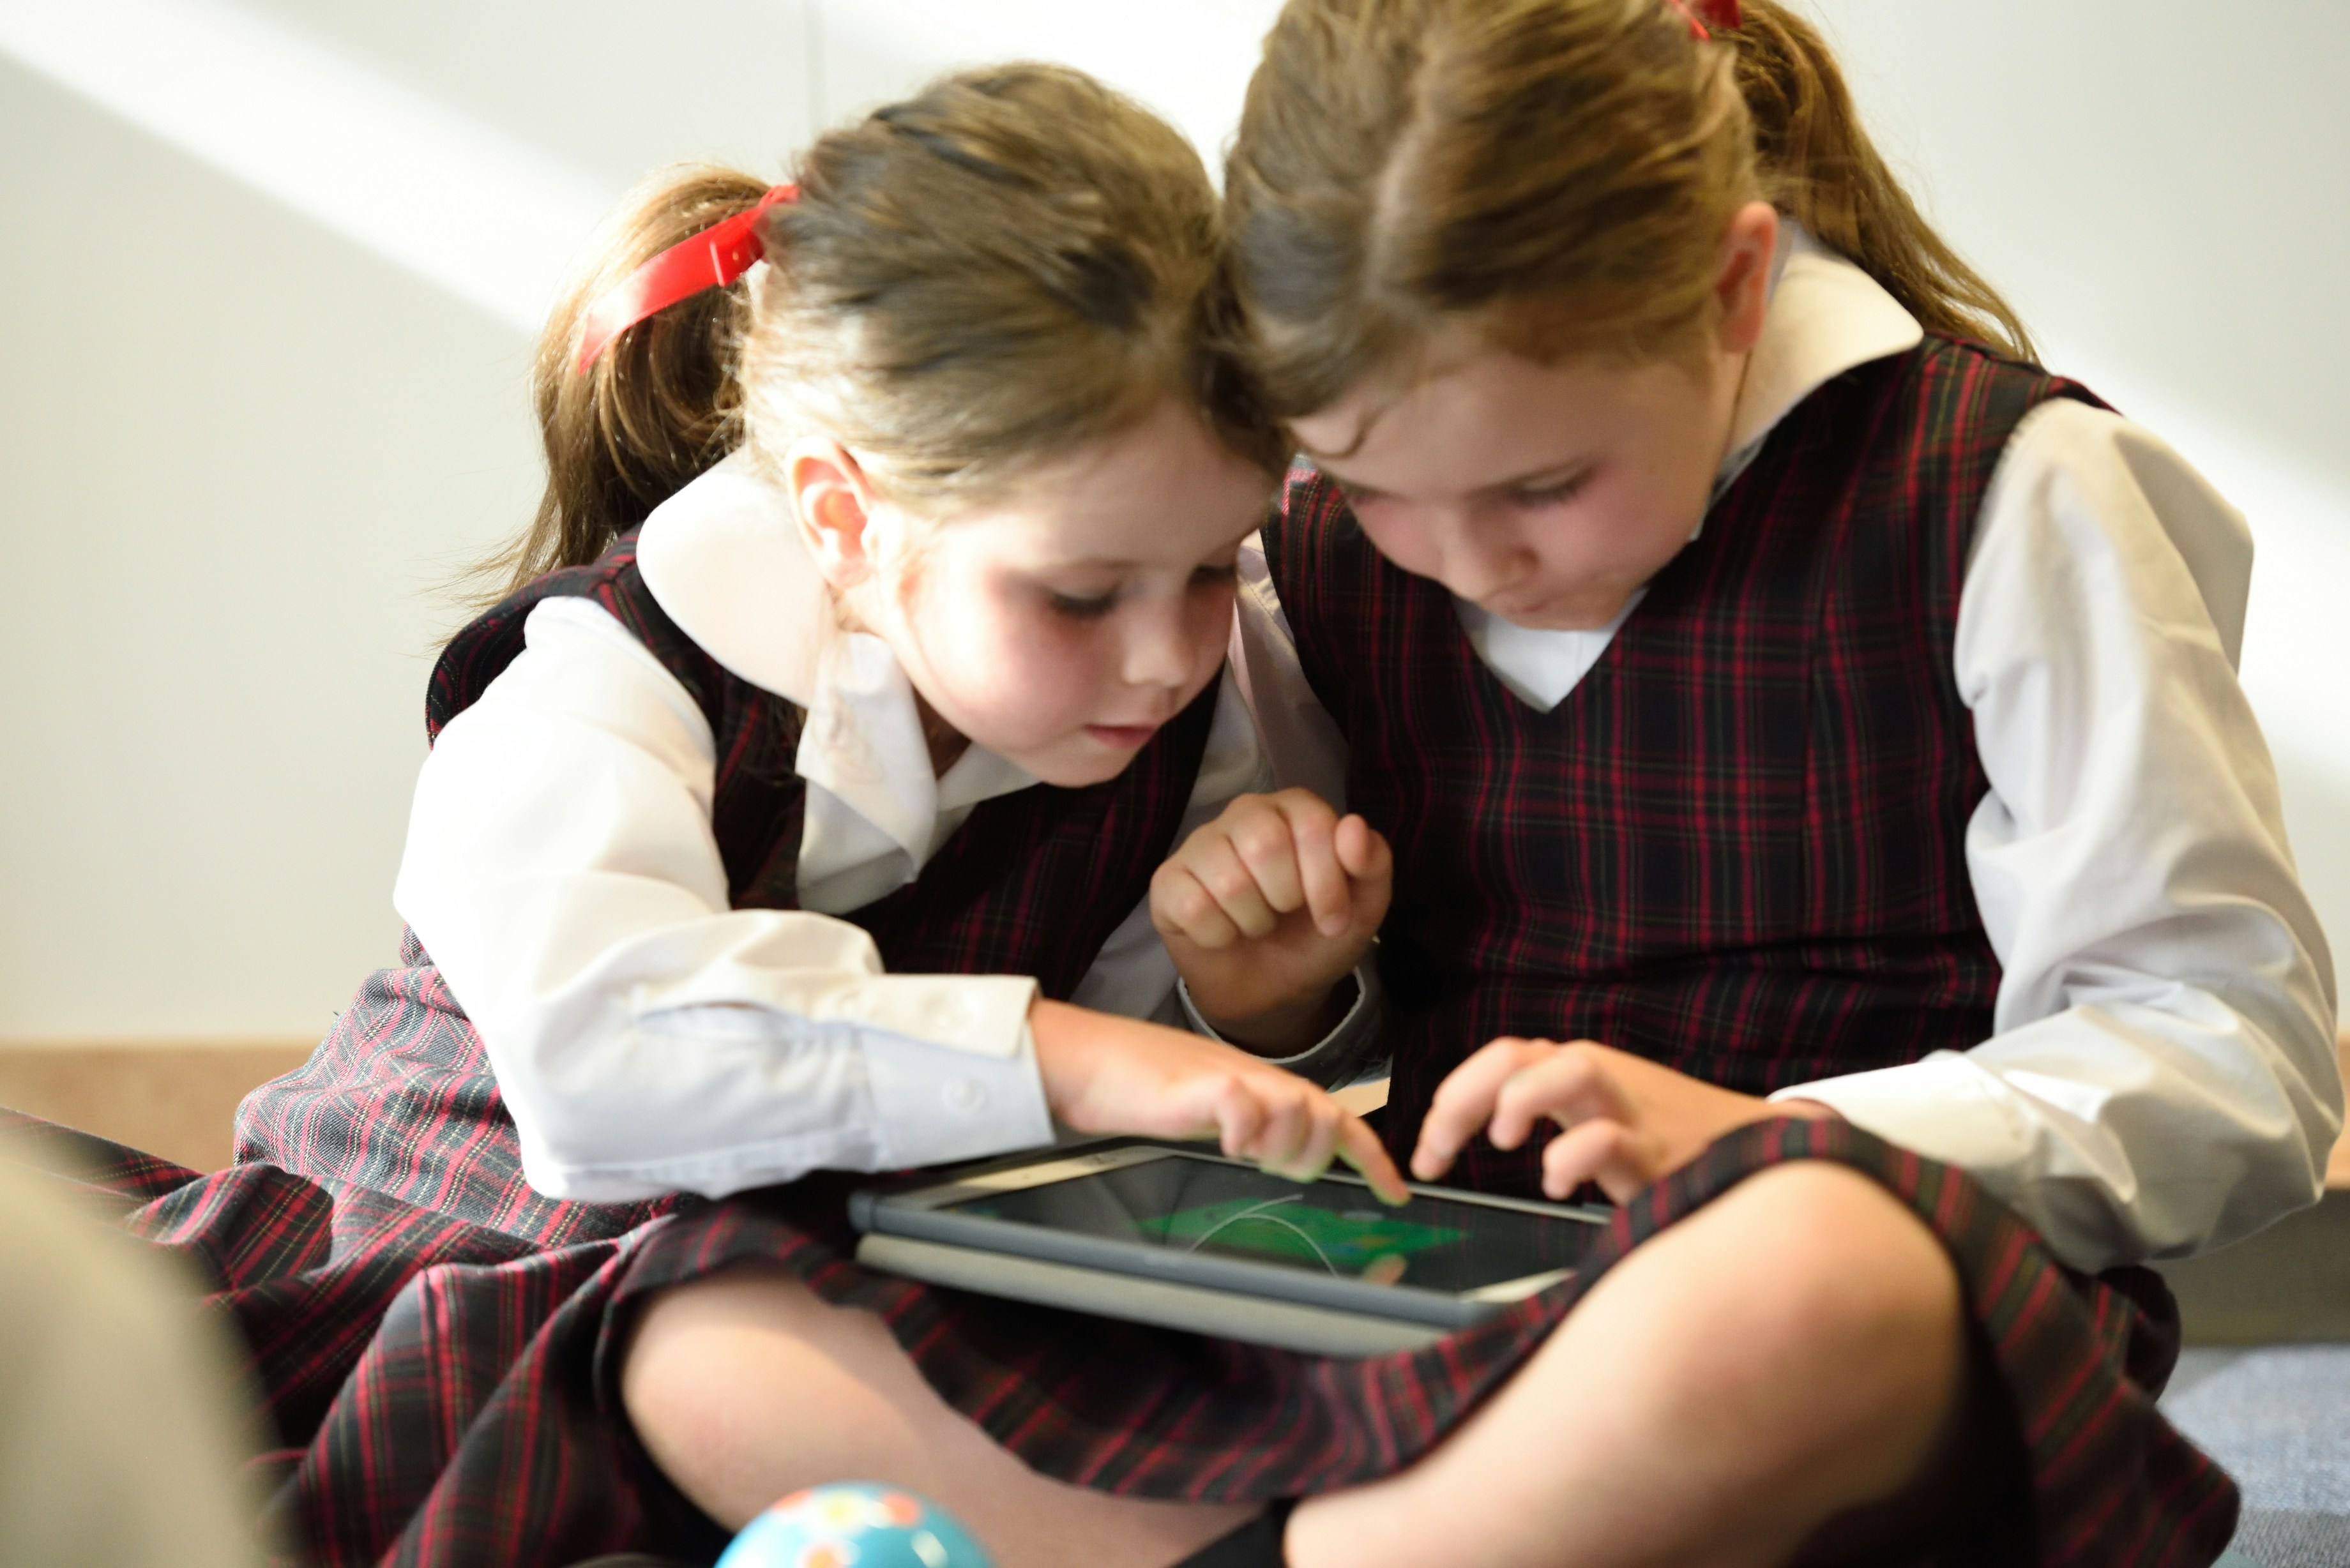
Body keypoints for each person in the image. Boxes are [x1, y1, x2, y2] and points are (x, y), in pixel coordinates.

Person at [8, 63, 1403, 1568]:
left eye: (1206, 567)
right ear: (845, 513)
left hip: (815, 1282)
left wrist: (1256, 1008)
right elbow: (601, 1064)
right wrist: (1075, 1053)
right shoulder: (596, 684)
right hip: (438, 1274)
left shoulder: (1195, 698)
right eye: (1078, 594)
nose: (1164, 648)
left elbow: (1100, 1118)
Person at [1133, 0, 2342, 1564]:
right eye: (1374, 492)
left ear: (1731, 287)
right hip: (1444, 1303)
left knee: (1801, 1273)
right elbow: (1340, 1059)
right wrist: (1287, 1003)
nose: (1466, 559)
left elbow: (2236, 1059)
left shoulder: (2001, 494)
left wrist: (1766, 1140)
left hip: (1836, 1310)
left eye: (1545, 486)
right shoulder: (1321, 539)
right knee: (770, 1310)